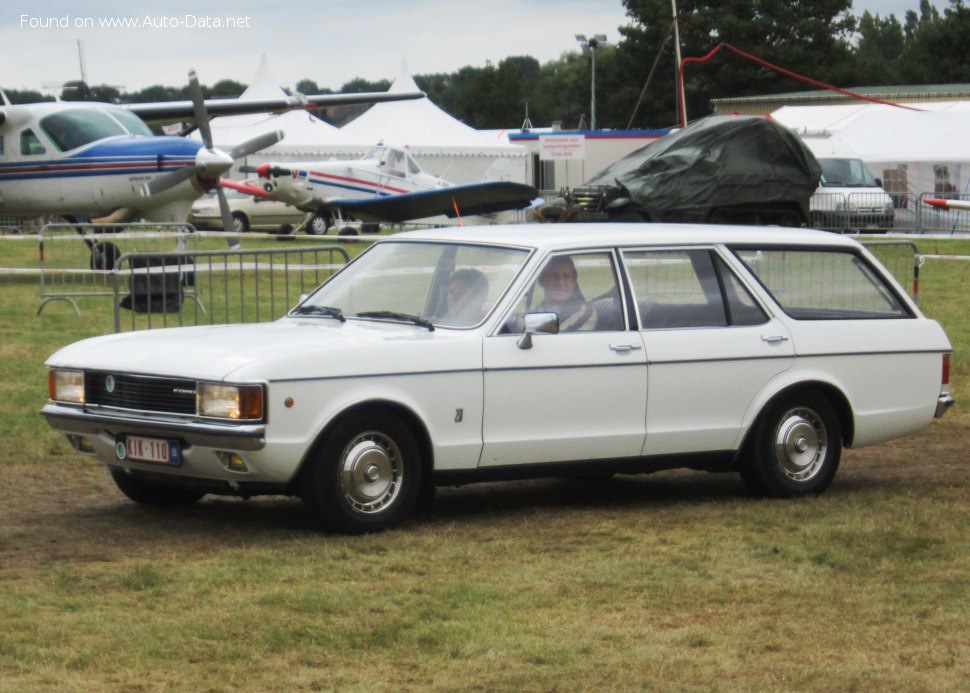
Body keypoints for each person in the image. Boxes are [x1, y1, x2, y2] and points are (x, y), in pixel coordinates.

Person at [535, 255, 597, 331]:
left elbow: (557, 336)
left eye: (566, 276)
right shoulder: (538, 309)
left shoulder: (586, 312)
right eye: (554, 276)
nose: (560, 282)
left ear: (574, 281)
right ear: (542, 280)